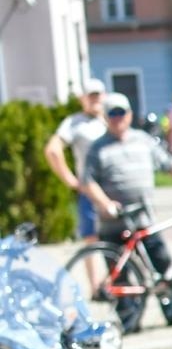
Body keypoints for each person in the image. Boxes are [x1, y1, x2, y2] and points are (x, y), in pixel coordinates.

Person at [80, 92, 172, 331]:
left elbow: (169, 164)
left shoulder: (143, 140)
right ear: (106, 118)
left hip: (143, 219)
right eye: (112, 114)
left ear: (129, 115)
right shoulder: (98, 148)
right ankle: (129, 321)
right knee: (121, 274)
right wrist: (105, 203)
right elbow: (87, 181)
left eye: (121, 113)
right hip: (113, 222)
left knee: (162, 264)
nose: (118, 118)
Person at [43, 78, 108, 257]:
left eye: (98, 96)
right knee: (91, 239)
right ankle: (96, 284)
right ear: (83, 98)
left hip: (114, 186)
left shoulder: (113, 118)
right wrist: (71, 180)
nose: (95, 100)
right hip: (90, 188)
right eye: (91, 96)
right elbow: (53, 150)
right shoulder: (75, 122)